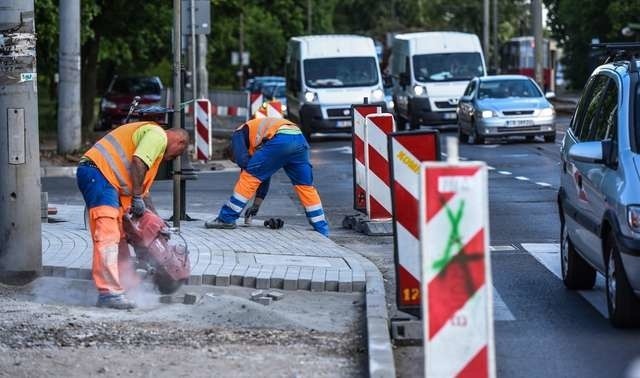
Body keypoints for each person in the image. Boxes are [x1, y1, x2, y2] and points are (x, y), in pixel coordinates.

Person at [76, 122, 189, 309]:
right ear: (180, 141)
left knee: (119, 238)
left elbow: (144, 195)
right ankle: (108, 293)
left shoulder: (152, 148)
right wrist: (136, 197)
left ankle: (125, 287)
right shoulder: (158, 135)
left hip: (106, 179)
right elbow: (137, 162)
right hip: (99, 174)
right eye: (176, 154)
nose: (172, 159)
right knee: (108, 234)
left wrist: (157, 224)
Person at [205, 117, 329, 236]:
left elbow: (245, 163)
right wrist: (255, 206)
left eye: (235, 160)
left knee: (248, 176)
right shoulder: (255, 139)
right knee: (305, 187)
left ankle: (226, 218)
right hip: (299, 139)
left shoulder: (238, 135)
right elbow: (263, 174)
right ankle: (321, 228)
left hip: (282, 139)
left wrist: (245, 165)